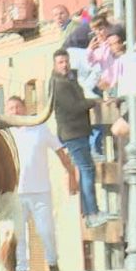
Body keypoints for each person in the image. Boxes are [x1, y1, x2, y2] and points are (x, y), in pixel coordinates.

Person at [6, 96, 79, 271]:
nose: (15, 111)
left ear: (24, 108)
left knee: (46, 231)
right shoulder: (6, 133)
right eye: (11, 108)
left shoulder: (39, 128)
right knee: (18, 235)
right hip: (16, 192)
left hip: (40, 190)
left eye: (18, 107)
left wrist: (71, 173)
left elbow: (60, 151)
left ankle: (53, 264)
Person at [50, 48, 108, 228]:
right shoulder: (59, 84)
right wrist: (94, 102)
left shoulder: (69, 79)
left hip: (78, 132)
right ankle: (92, 213)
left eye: (66, 61)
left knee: (85, 170)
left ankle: (89, 213)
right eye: (60, 62)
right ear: (55, 65)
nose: (64, 65)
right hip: (72, 133)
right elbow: (74, 107)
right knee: (87, 170)